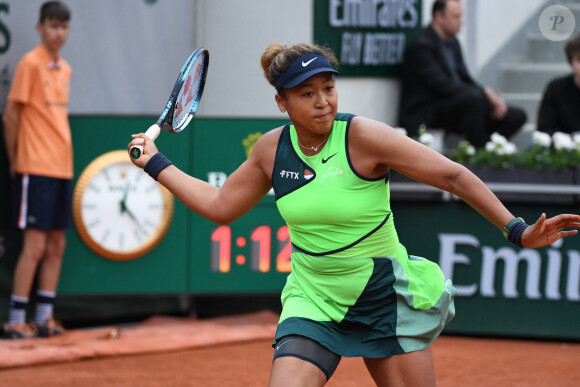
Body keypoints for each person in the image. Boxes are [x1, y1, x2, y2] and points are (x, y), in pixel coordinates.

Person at [128, 42, 580, 386]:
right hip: (314, 298)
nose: (323, 101)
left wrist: (517, 230)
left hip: (384, 298)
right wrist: (155, 163)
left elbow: (454, 176)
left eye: (328, 88)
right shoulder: (271, 150)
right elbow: (220, 206)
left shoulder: (363, 136)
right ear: (282, 104)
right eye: (307, 94)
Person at [1, 1, 72, 339]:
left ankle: (44, 318)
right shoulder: (29, 64)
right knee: (35, 245)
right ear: (40, 28)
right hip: (35, 167)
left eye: (63, 26)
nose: (58, 32)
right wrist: (16, 161)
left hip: (62, 168)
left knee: (57, 244)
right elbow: (11, 116)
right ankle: (15, 319)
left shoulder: (66, 69)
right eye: (52, 26)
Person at [399, 0, 527, 148]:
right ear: (439, 16)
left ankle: (486, 149)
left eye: (461, 16)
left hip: (457, 106)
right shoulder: (421, 46)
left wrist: (492, 98)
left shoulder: (453, 42)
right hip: (427, 111)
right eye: (456, 17)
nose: (462, 21)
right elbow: (442, 85)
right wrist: (484, 94)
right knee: (473, 99)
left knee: (516, 116)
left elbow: (465, 78)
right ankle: (478, 153)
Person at [537, 33, 580, 135]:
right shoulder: (556, 88)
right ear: (570, 63)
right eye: (579, 60)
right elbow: (544, 128)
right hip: (564, 147)